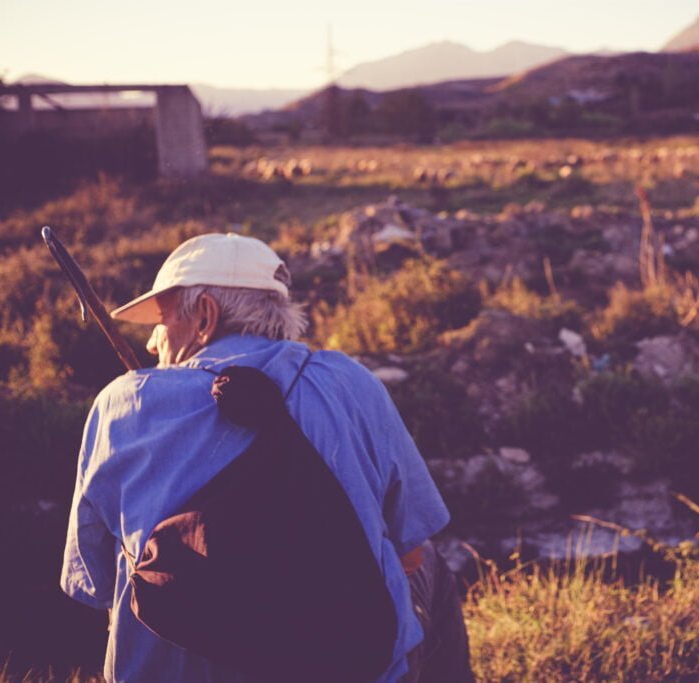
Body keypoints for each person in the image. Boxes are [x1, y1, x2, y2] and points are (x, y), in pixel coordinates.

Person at [60, 233, 473, 682]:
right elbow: (409, 553)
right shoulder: (351, 382)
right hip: (345, 666)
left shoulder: (123, 404)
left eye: (161, 321)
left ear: (205, 316)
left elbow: (93, 580)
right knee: (428, 560)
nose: (154, 344)